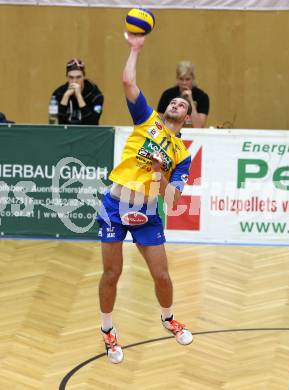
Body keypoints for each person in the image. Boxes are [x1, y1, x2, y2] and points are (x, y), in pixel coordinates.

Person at [97, 32, 193, 364]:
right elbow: (127, 82)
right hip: (115, 205)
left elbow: (175, 200)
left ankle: (168, 319)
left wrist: (160, 172)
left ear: (187, 118)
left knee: (162, 275)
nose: (176, 104)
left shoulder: (182, 154)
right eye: (174, 101)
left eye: (183, 104)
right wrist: (135, 49)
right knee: (112, 274)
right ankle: (108, 331)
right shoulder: (146, 119)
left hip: (148, 212)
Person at [51, 58, 104, 125]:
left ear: (84, 77)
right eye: (71, 77)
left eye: (78, 77)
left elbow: (91, 123)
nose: (74, 81)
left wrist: (79, 96)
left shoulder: (95, 95)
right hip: (65, 133)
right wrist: (65, 97)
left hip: (88, 134)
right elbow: (56, 123)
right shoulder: (58, 93)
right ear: (67, 77)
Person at [157, 61, 209, 128]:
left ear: (193, 79)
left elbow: (198, 126)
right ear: (177, 78)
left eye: (187, 79)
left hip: (193, 135)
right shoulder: (167, 95)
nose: (184, 83)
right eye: (181, 79)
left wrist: (190, 101)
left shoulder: (202, 96)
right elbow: (160, 123)